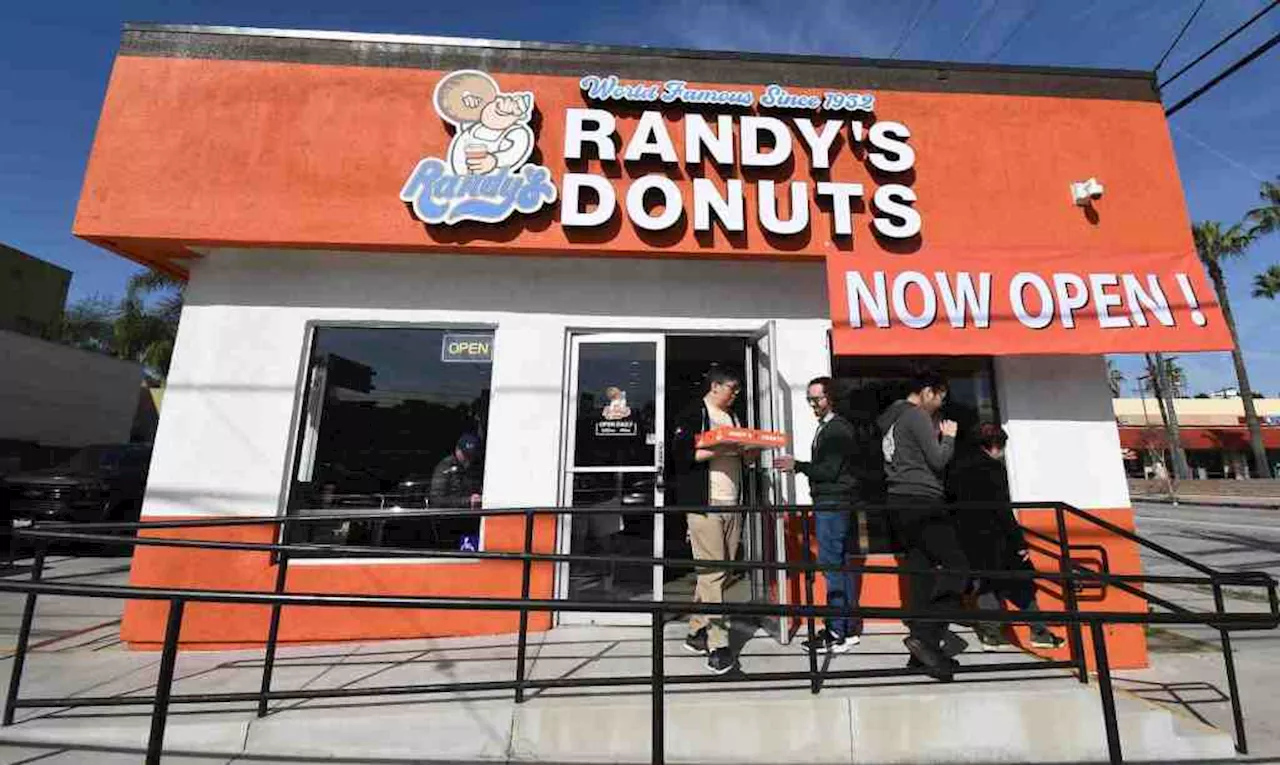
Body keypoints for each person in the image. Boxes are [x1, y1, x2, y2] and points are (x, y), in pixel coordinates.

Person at [877, 371, 968, 681]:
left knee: (921, 573)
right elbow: (938, 460)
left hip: (898, 500)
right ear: (927, 391)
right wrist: (950, 437)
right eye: (940, 396)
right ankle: (926, 638)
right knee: (958, 567)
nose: (940, 404)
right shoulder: (915, 416)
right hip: (922, 499)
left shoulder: (890, 419)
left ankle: (920, 657)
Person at [670, 366, 756, 675]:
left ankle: (695, 631)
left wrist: (747, 453)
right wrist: (720, 447)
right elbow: (680, 456)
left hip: (733, 503)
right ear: (715, 386)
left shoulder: (734, 418)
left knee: (720, 572)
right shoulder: (694, 413)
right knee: (714, 572)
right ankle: (718, 646)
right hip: (704, 505)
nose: (736, 395)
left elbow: (743, 460)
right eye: (732, 389)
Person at [949, 424, 1065, 651]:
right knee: (1023, 583)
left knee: (987, 584)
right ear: (994, 446)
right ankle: (1038, 632)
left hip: (968, 536)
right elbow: (1002, 508)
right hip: (996, 537)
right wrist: (1019, 543)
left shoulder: (956, 468)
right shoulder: (992, 468)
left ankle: (991, 634)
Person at [777, 376, 864, 654]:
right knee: (838, 564)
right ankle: (846, 629)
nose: (813, 404)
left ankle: (837, 630)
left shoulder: (837, 429)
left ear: (832, 397)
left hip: (833, 503)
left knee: (832, 565)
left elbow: (829, 471)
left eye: (818, 399)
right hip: (834, 502)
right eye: (810, 400)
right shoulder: (831, 427)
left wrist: (798, 465)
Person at [429, 433, 484, 510]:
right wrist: (468, 501)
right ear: (457, 450)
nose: (469, 459)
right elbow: (436, 500)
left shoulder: (476, 467)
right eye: (465, 455)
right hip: (452, 516)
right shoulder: (445, 467)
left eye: (472, 455)